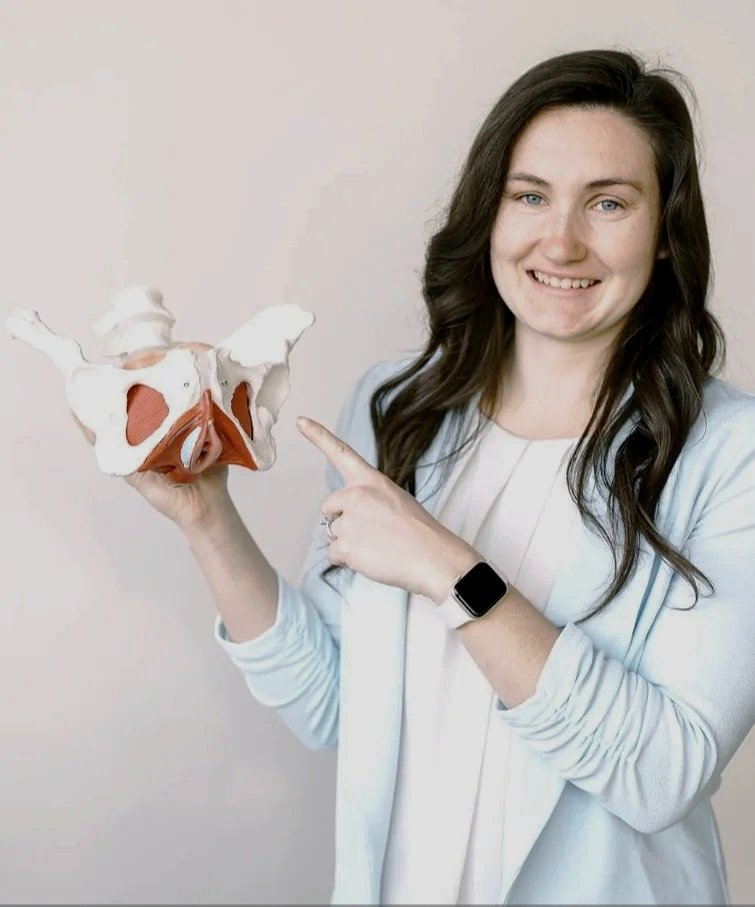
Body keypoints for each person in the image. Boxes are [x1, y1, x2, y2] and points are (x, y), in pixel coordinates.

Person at [125, 49, 755, 905]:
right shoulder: (397, 409)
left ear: (666, 236)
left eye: (608, 202)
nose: (559, 239)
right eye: (528, 196)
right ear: (487, 216)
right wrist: (207, 519)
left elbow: (659, 772)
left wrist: (450, 569)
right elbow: (338, 708)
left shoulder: (728, 453)